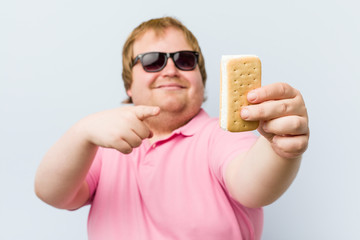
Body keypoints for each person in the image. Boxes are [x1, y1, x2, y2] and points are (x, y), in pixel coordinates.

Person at [35, 17, 309, 240]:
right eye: (152, 60)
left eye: (185, 60)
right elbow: (54, 193)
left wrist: (279, 147)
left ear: (200, 79)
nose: (170, 69)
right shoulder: (104, 147)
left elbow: (253, 187)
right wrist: (81, 133)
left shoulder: (219, 137)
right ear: (129, 85)